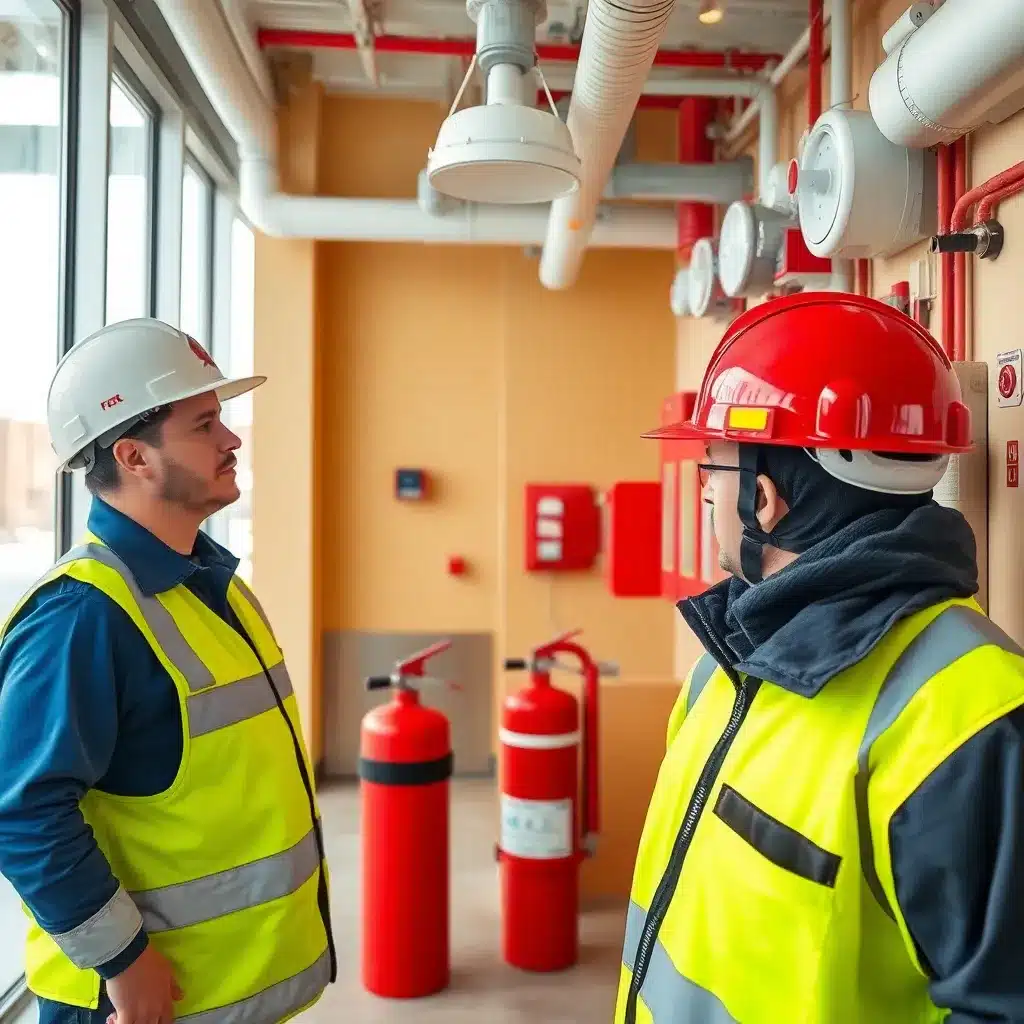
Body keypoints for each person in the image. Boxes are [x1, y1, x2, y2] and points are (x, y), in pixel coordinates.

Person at [615, 292, 1024, 1024]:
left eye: (714, 463)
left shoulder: (973, 715)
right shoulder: (726, 660)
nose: (705, 485)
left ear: (763, 499)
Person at [0, 319, 336, 1024]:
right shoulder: (81, 616)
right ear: (134, 456)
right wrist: (126, 964)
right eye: (205, 424)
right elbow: (21, 811)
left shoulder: (214, 585)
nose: (232, 440)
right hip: (140, 1004)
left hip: (223, 991)